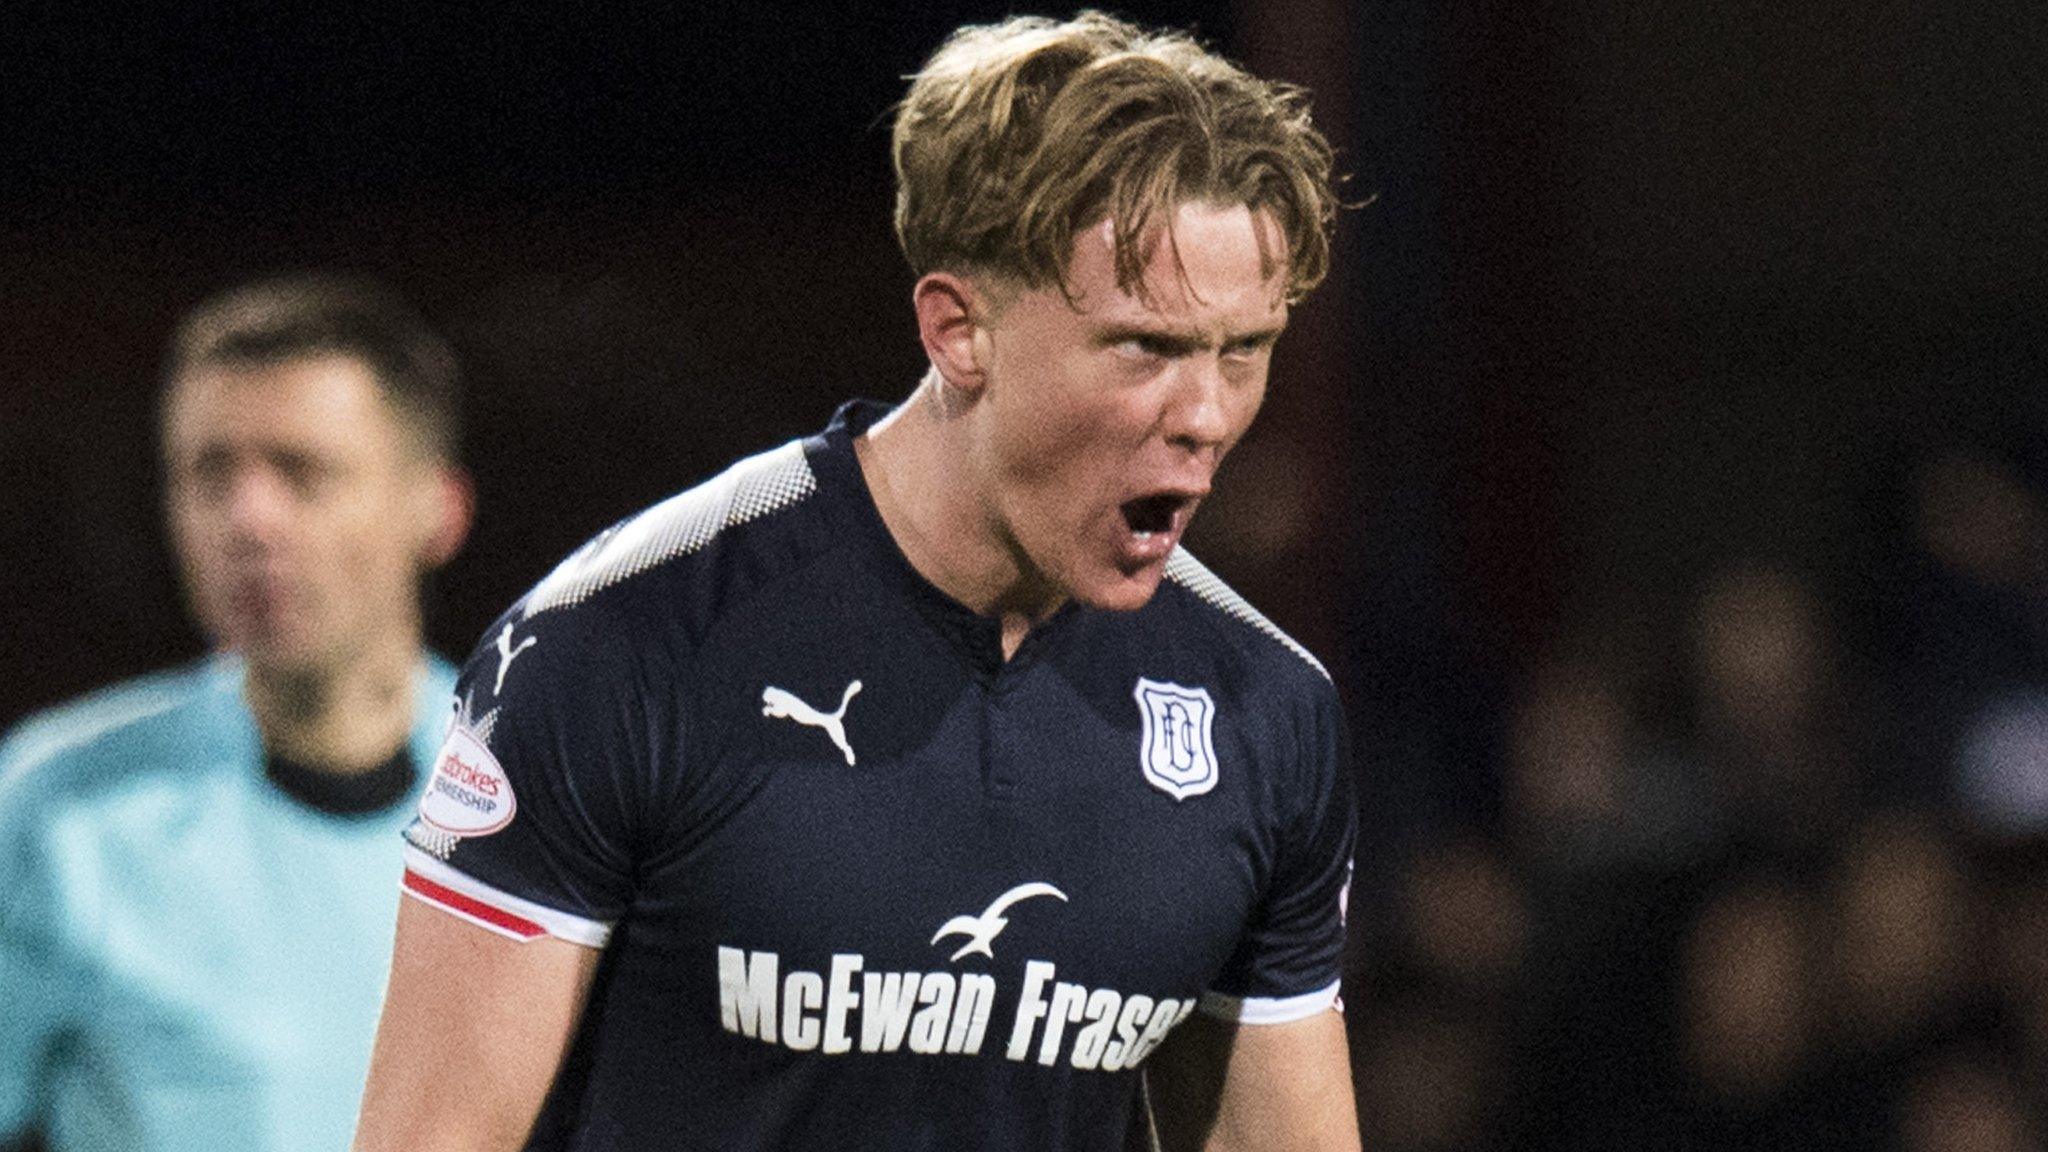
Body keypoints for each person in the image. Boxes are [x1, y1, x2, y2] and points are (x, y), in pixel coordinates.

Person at [355, 12, 1358, 1151]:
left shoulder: (1262, 712)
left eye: (1244, 349)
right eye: (1145, 347)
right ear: (956, 329)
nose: (1207, 418)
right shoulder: (620, 649)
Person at [0, 274, 473, 1152]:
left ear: (436, 509)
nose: (249, 519)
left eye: (304, 472)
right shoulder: (57, 809)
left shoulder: (557, 791)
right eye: (210, 473)